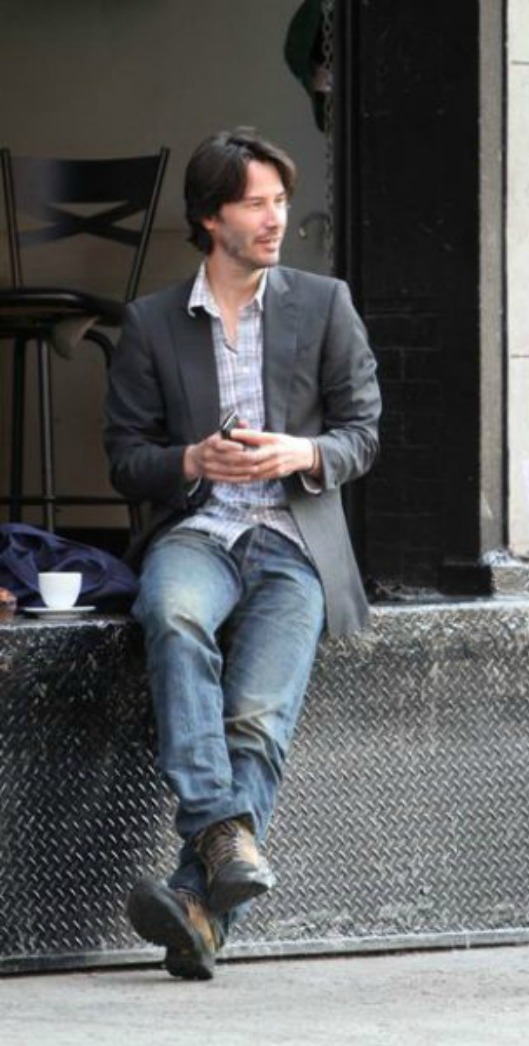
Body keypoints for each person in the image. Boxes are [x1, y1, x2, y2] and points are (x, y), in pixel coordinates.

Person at [105, 128, 381, 980]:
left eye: (280, 202)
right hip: (198, 531)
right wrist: (191, 460)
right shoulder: (151, 323)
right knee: (173, 611)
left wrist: (300, 454)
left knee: (256, 716)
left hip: (293, 538)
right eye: (256, 203)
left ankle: (196, 899)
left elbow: (363, 433)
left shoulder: (324, 303)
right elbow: (124, 460)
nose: (276, 220)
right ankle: (223, 833)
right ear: (209, 218)